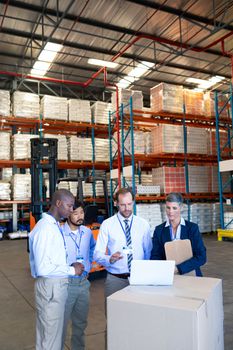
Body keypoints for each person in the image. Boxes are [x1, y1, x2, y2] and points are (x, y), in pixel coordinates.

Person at [29, 189, 84, 350]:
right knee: (51, 338)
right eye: (69, 205)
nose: (71, 210)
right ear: (58, 203)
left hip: (54, 286)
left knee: (49, 335)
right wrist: (72, 270)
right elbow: (42, 267)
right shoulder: (45, 229)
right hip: (51, 286)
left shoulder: (52, 226)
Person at [94, 187, 152, 298]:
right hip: (115, 279)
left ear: (133, 202)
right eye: (123, 205)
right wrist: (109, 259)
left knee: (138, 313)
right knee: (113, 313)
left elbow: (148, 252)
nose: (127, 208)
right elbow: (97, 254)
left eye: (129, 204)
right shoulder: (107, 224)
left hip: (138, 278)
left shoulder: (143, 224)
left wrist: (145, 274)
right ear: (116, 203)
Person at [62, 201, 96, 350]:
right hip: (65, 285)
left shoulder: (87, 232)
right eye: (75, 213)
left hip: (83, 284)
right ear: (68, 214)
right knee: (60, 325)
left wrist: (87, 268)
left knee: (80, 324)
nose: (79, 216)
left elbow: (92, 249)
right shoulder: (59, 233)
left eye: (81, 212)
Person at [151, 192, 206, 276]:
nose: (170, 212)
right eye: (168, 208)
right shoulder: (159, 230)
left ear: (181, 207)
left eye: (174, 208)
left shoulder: (192, 228)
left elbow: (201, 257)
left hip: (191, 274)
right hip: (168, 275)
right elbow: (155, 256)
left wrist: (178, 269)